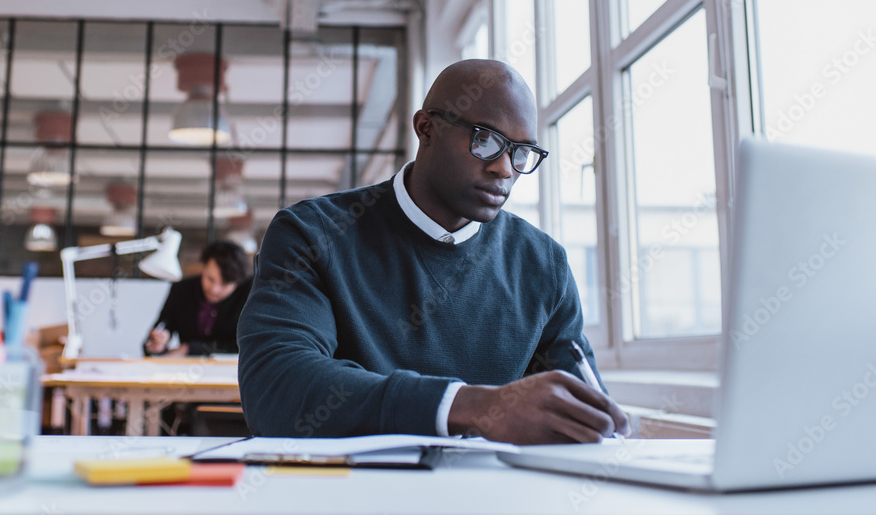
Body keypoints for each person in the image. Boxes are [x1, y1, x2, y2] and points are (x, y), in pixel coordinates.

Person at [237, 59, 630, 444]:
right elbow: (276, 386)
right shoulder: (313, 233)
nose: (505, 169)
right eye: (486, 140)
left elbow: (581, 411)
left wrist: (602, 425)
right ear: (426, 128)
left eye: (521, 152)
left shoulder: (544, 265)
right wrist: (469, 406)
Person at [144, 241, 252, 356]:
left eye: (224, 284)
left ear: (238, 282)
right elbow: (154, 337)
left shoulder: (249, 294)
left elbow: (246, 346)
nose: (214, 289)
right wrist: (157, 344)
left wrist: (190, 348)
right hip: (185, 371)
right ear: (203, 267)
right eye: (210, 279)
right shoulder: (181, 290)